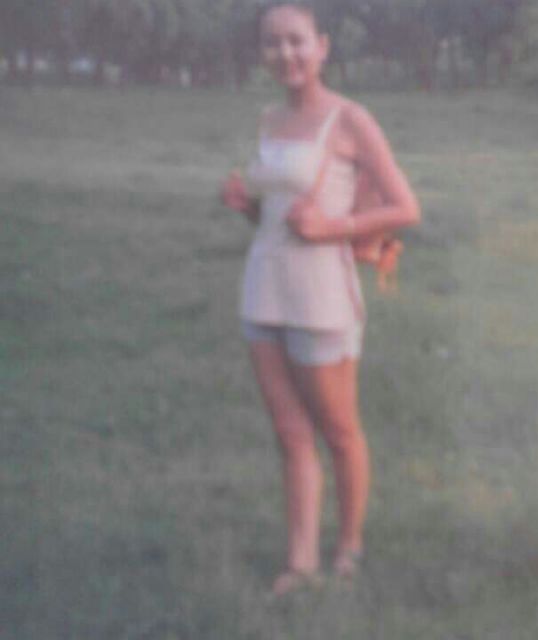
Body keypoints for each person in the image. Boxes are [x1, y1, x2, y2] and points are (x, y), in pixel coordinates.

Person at [221, 1, 420, 597]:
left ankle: (349, 545)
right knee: (290, 434)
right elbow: (280, 216)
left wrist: (334, 228)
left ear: (322, 46)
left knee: (338, 430)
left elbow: (406, 207)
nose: (285, 53)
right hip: (263, 289)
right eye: (272, 42)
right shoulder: (268, 118)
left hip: (321, 297)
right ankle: (300, 562)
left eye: (297, 40)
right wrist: (249, 208)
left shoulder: (350, 119)